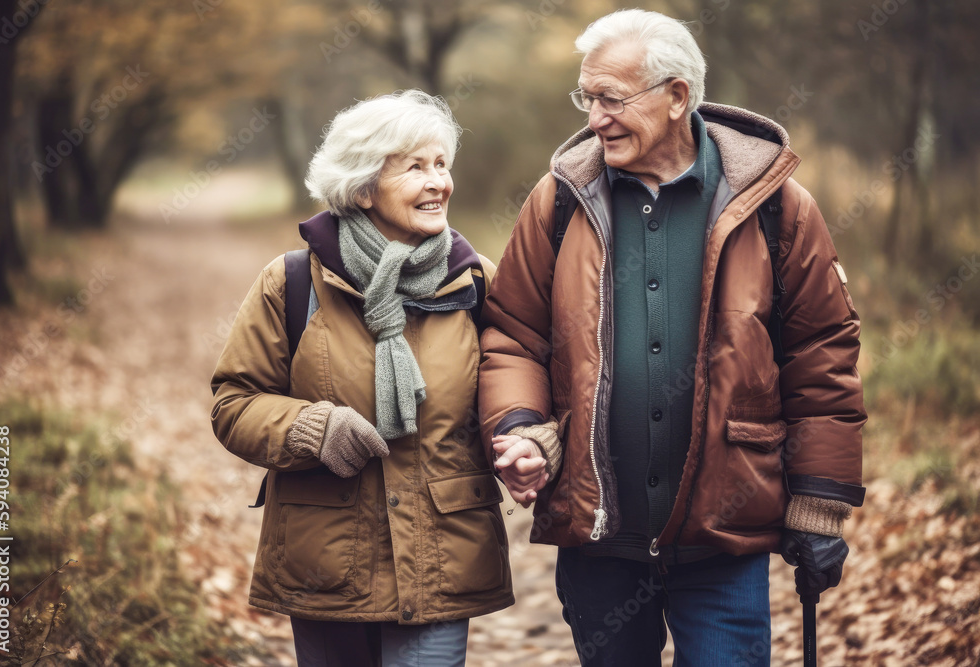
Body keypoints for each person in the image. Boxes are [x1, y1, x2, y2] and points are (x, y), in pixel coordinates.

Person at [479, 10, 865, 666]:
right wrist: (523, 425)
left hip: (725, 541)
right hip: (600, 541)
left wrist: (820, 500)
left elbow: (821, 351)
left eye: (611, 98)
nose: (594, 117)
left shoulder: (774, 204)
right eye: (587, 97)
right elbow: (513, 333)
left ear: (678, 95)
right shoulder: (561, 201)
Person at [211, 90, 512, 667]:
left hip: (442, 560)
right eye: (415, 168)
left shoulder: (475, 282)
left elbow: (523, 382)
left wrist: (531, 433)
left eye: (442, 164)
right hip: (327, 563)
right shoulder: (293, 282)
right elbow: (233, 402)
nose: (438, 183)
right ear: (363, 186)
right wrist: (311, 427)